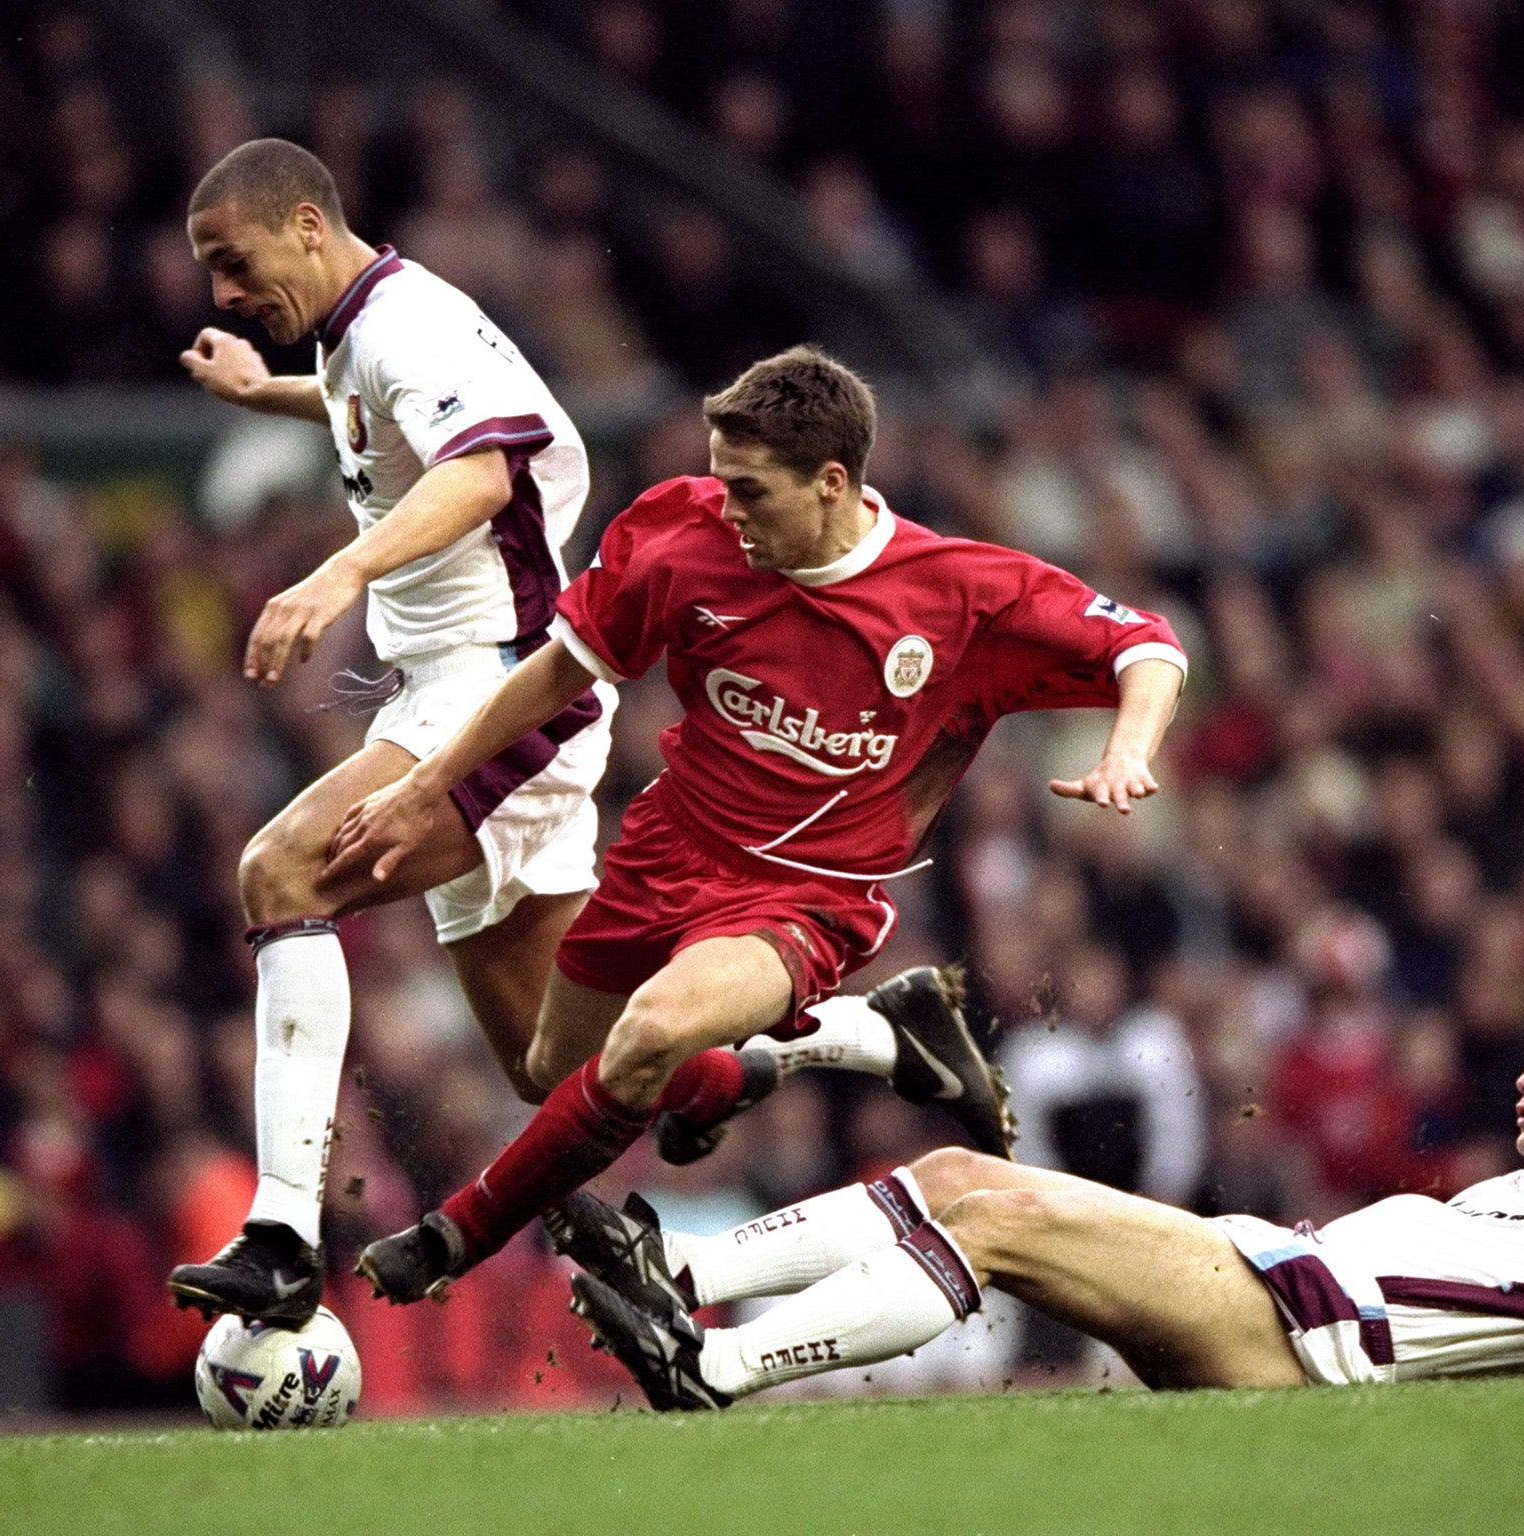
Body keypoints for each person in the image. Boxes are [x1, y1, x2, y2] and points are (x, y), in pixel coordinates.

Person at [329, 344, 1189, 1305]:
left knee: (648, 1032)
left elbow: (1146, 646)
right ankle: (811, 1055)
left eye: (750, 490)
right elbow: (556, 673)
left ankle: (456, 1233)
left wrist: (1129, 751)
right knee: (552, 1070)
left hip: (809, 897)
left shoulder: (960, 591)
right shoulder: (682, 539)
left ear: (831, 484)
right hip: (671, 852)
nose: (726, 508)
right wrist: (426, 783)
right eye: (718, 480)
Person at [558, 982, 1524, 1409]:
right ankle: (674, 1287)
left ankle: (714, 1370)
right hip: (1271, 1286)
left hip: (1301, 1331)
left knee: (990, 1217)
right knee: (956, 1179)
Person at [164, 137, 620, 1326]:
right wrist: (259, 389)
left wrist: (332, 578)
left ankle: (279, 1233)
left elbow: (478, 475)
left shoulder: (407, 321)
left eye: (232, 260)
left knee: (280, 869)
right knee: (561, 1065)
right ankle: (857, 1039)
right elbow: (375, 416)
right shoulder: (362, 335)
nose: (222, 291)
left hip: (502, 689)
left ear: (308, 224)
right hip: (465, 685)